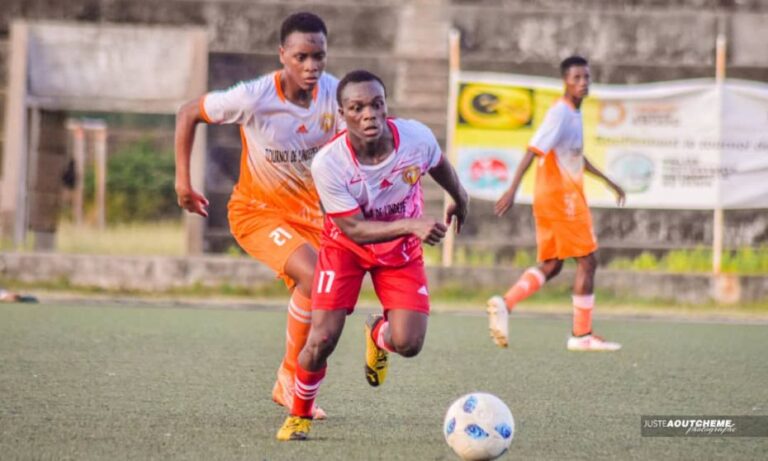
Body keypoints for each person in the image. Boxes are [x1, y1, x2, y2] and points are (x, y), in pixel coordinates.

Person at [276, 70, 469, 441]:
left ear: (386, 106)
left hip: (399, 250)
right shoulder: (329, 163)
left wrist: (461, 198)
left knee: (409, 344)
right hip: (345, 248)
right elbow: (355, 230)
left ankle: (377, 334)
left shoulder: (415, 137)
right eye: (357, 107)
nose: (369, 115)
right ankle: (299, 415)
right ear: (342, 114)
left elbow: (439, 163)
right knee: (322, 339)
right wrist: (411, 225)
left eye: (376, 105)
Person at [174, 12, 342, 418]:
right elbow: (187, 112)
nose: (311, 66)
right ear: (282, 54)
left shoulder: (334, 94)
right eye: (301, 56)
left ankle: (293, 377)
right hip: (257, 213)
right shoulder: (253, 97)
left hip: (312, 218)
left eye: (318, 56)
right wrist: (183, 181)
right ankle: (289, 379)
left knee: (325, 290)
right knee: (317, 276)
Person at [487, 56, 626, 352]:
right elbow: (533, 149)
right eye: (576, 78)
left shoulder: (574, 114)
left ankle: (505, 303)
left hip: (555, 198)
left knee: (552, 265)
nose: (583, 83)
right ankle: (581, 335)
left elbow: (576, 156)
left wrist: (607, 181)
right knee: (588, 259)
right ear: (565, 81)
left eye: (586, 77)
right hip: (561, 197)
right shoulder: (560, 114)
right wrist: (512, 189)